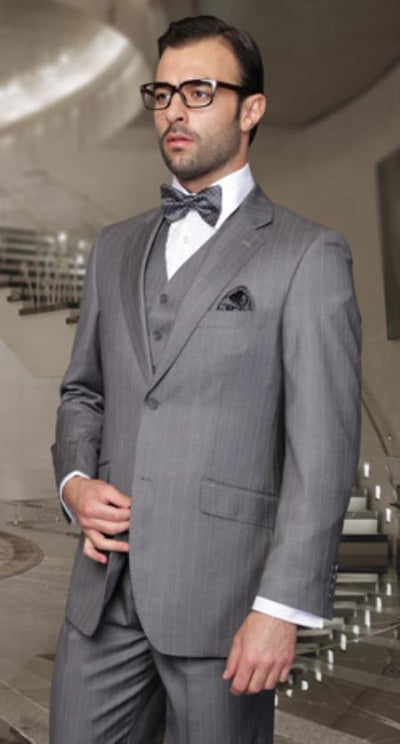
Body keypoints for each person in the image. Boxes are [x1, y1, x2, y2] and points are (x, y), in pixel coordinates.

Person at [50, 14, 361, 744]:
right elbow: (84, 391)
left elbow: (322, 450)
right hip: (104, 595)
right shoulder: (113, 248)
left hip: (228, 605)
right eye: (162, 94)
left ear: (251, 109)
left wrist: (280, 608)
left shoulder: (307, 254)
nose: (174, 111)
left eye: (199, 91)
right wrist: (74, 485)